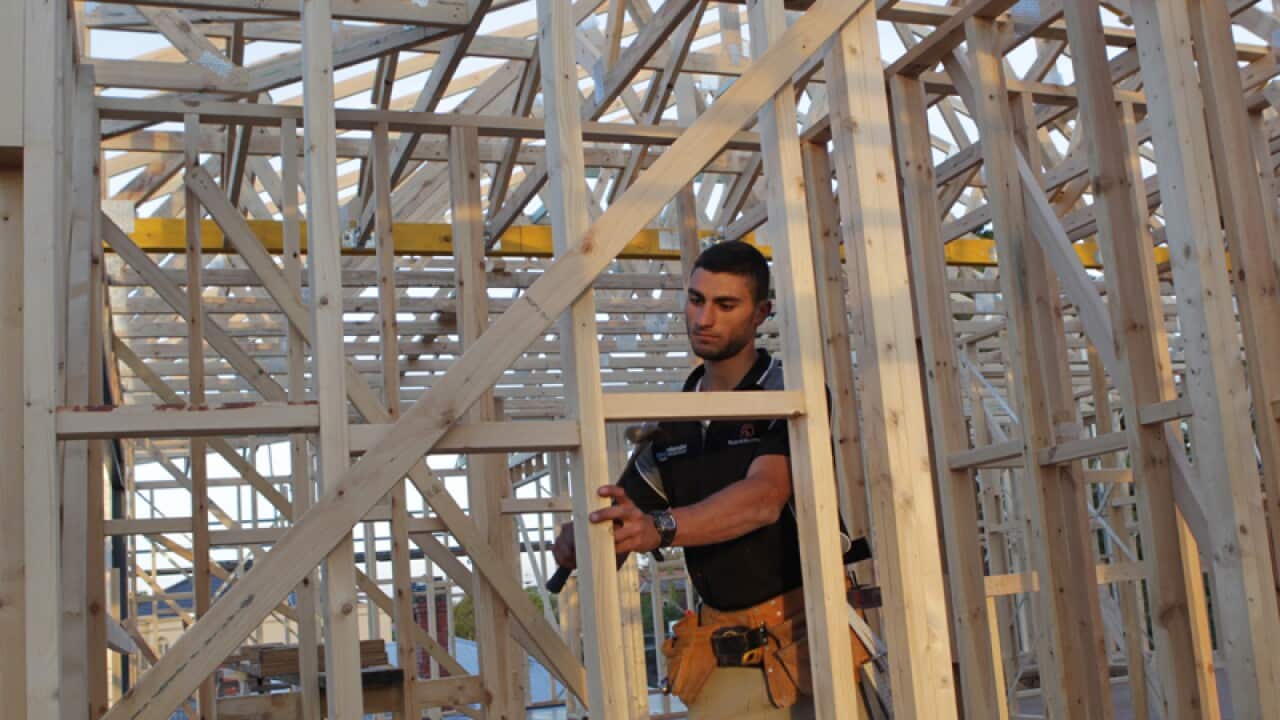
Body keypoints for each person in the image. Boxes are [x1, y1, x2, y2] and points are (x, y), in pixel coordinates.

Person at [551, 241, 869, 719]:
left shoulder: (787, 393)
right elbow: (627, 524)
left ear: (761, 312)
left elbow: (763, 498)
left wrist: (660, 527)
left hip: (804, 643)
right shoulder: (675, 420)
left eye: (726, 305)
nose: (704, 319)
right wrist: (591, 540)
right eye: (696, 300)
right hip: (725, 647)